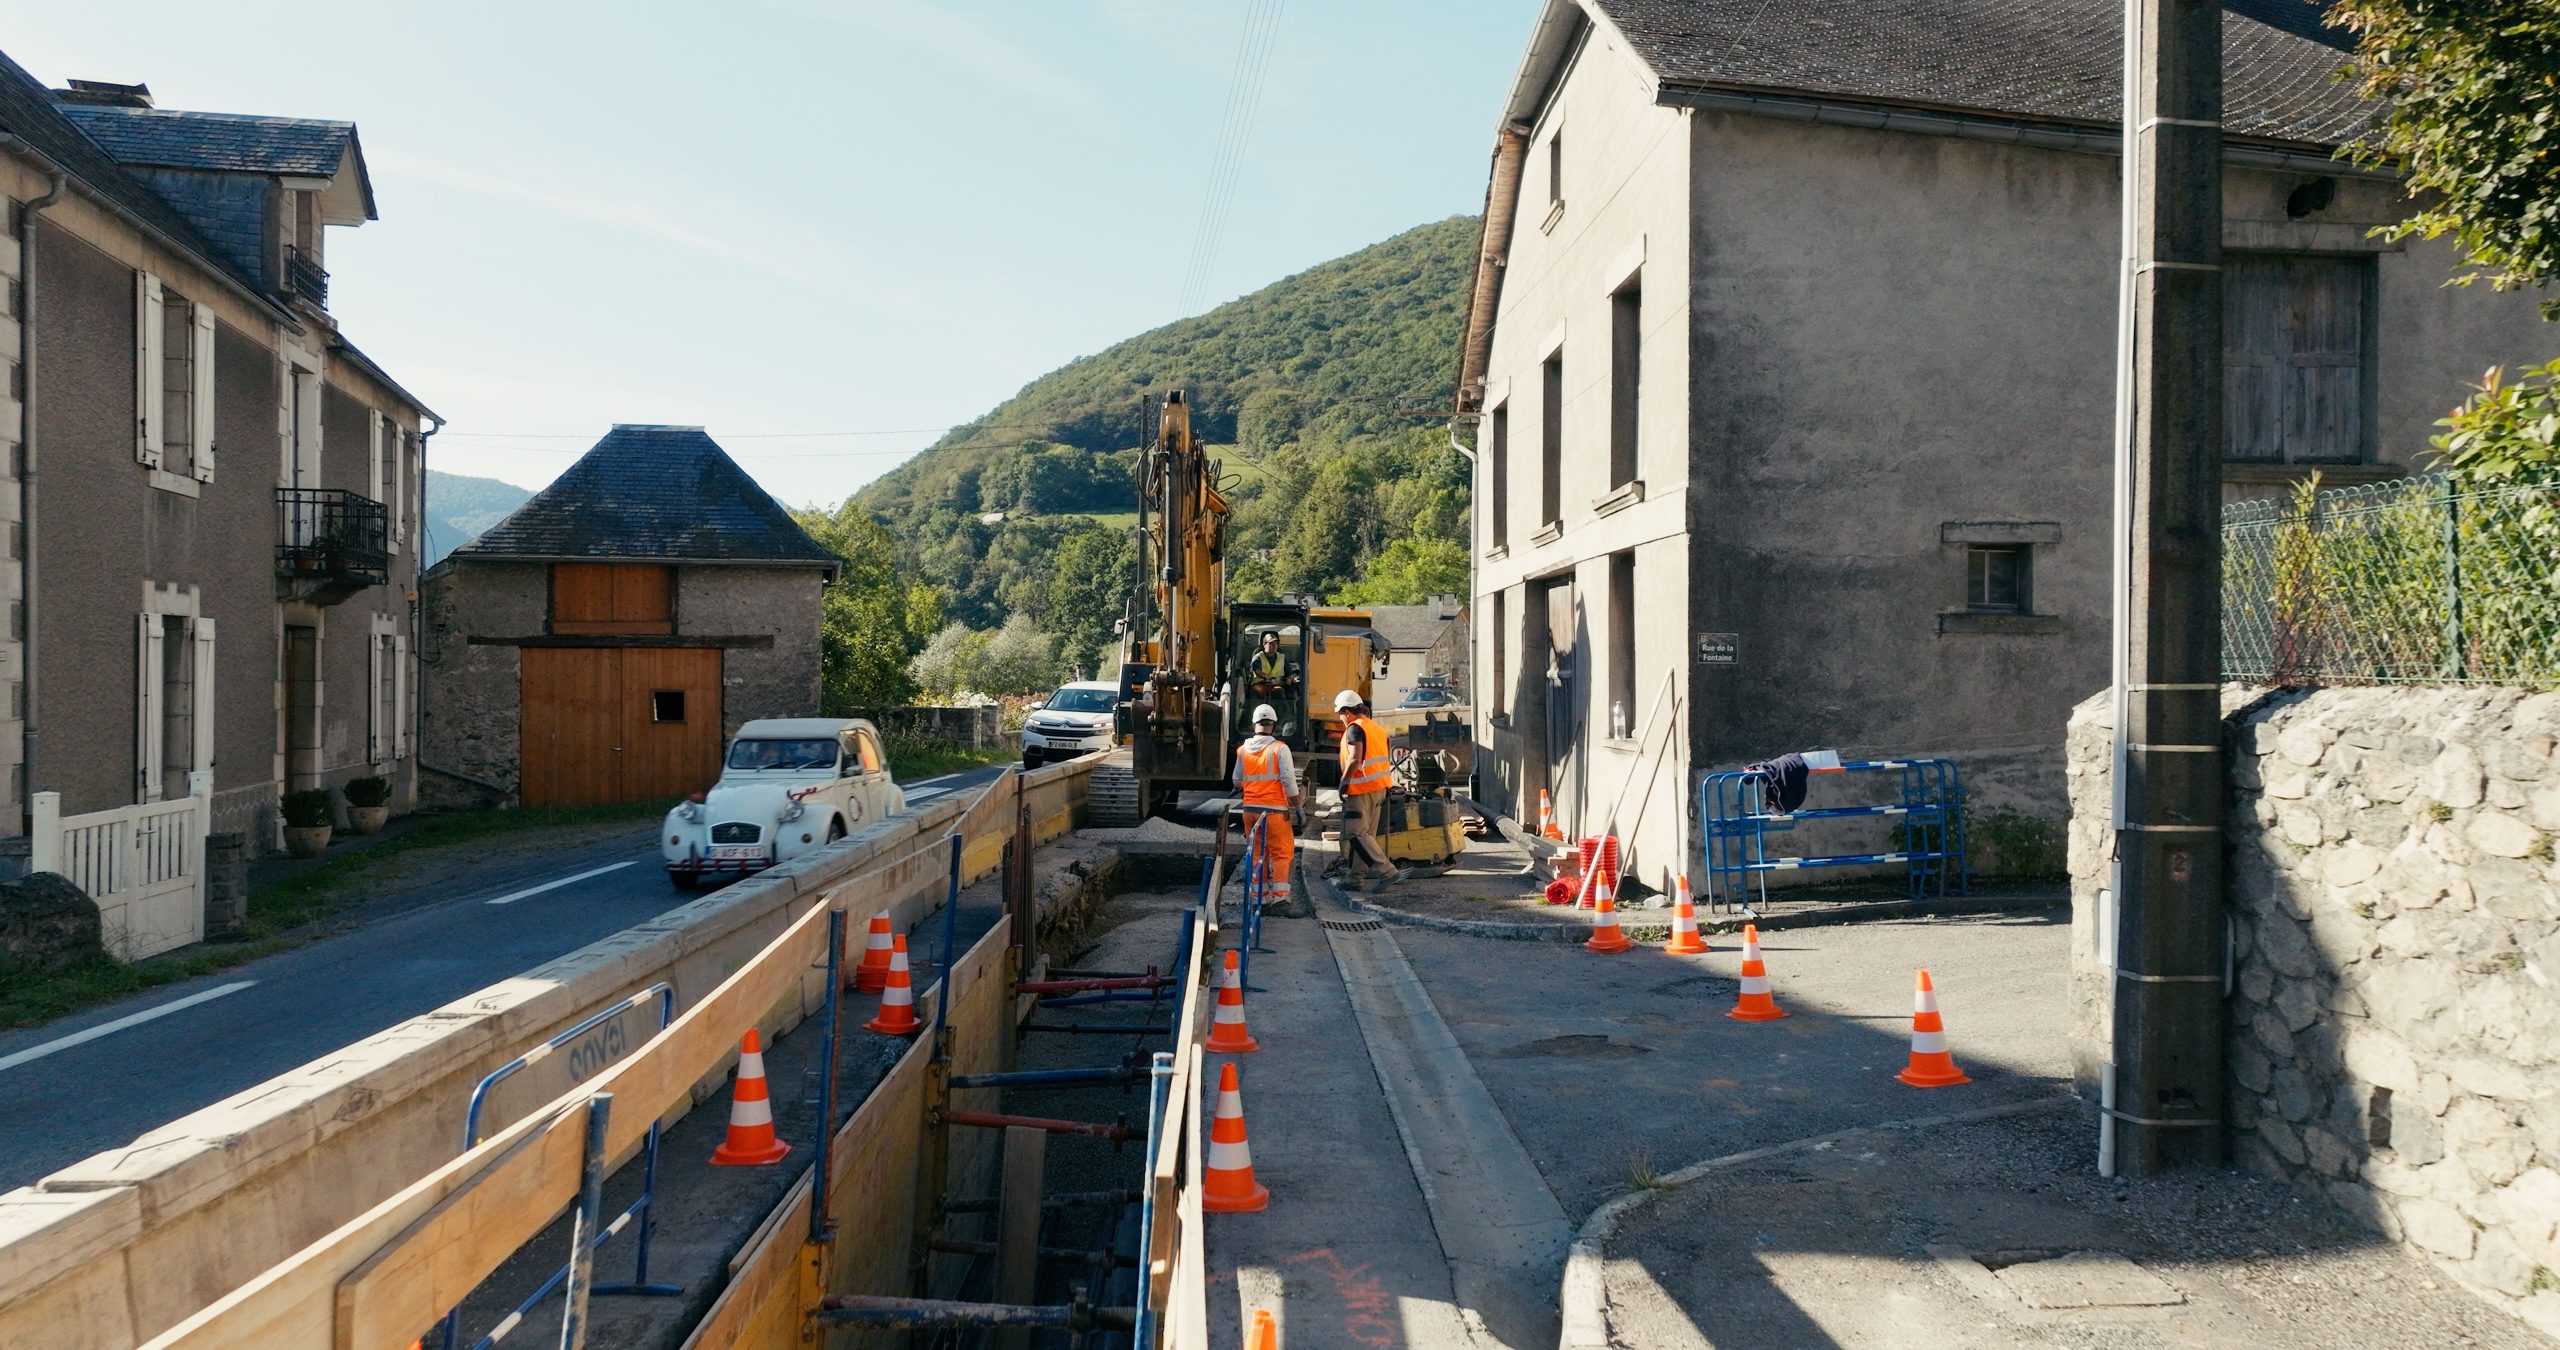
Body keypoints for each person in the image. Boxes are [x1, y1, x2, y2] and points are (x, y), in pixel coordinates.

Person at [1230, 704, 1303, 917]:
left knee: (1257, 854)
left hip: (1250, 811)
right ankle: (1280, 899)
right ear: (1273, 725)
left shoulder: (1243, 750)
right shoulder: (1280, 748)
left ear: (1254, 724)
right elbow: (1288, 780)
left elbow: (1236, 781)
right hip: (1274, 812)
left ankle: (1258, 899)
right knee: (1281, 853)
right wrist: (1297, 806)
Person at [1331, 688, 1396, 886]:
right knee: (1365, 835)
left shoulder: (1354, 728)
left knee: (1354, 832)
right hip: (1379, 788)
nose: (1341, 719)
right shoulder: (1375, 728)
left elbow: (1354, 758)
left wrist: (1344, 782)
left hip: (1361, 790)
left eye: (1341, 714)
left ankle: (1387, 870)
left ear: (1347, 712)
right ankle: (1355, 880)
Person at [1247, 631, 1293, 697]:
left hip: (1277, 685)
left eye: (1276, 643)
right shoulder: (1257, 657)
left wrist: (1289, 679)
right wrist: (1264, 675)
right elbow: (1257, 670)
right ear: (1264, 644)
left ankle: (1283, 707)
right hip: (1260, 684)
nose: (1274, 645)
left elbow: (1290, 673)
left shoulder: (1283, 657)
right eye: (1271, 643)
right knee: (1257, 692)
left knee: (1279, 692)